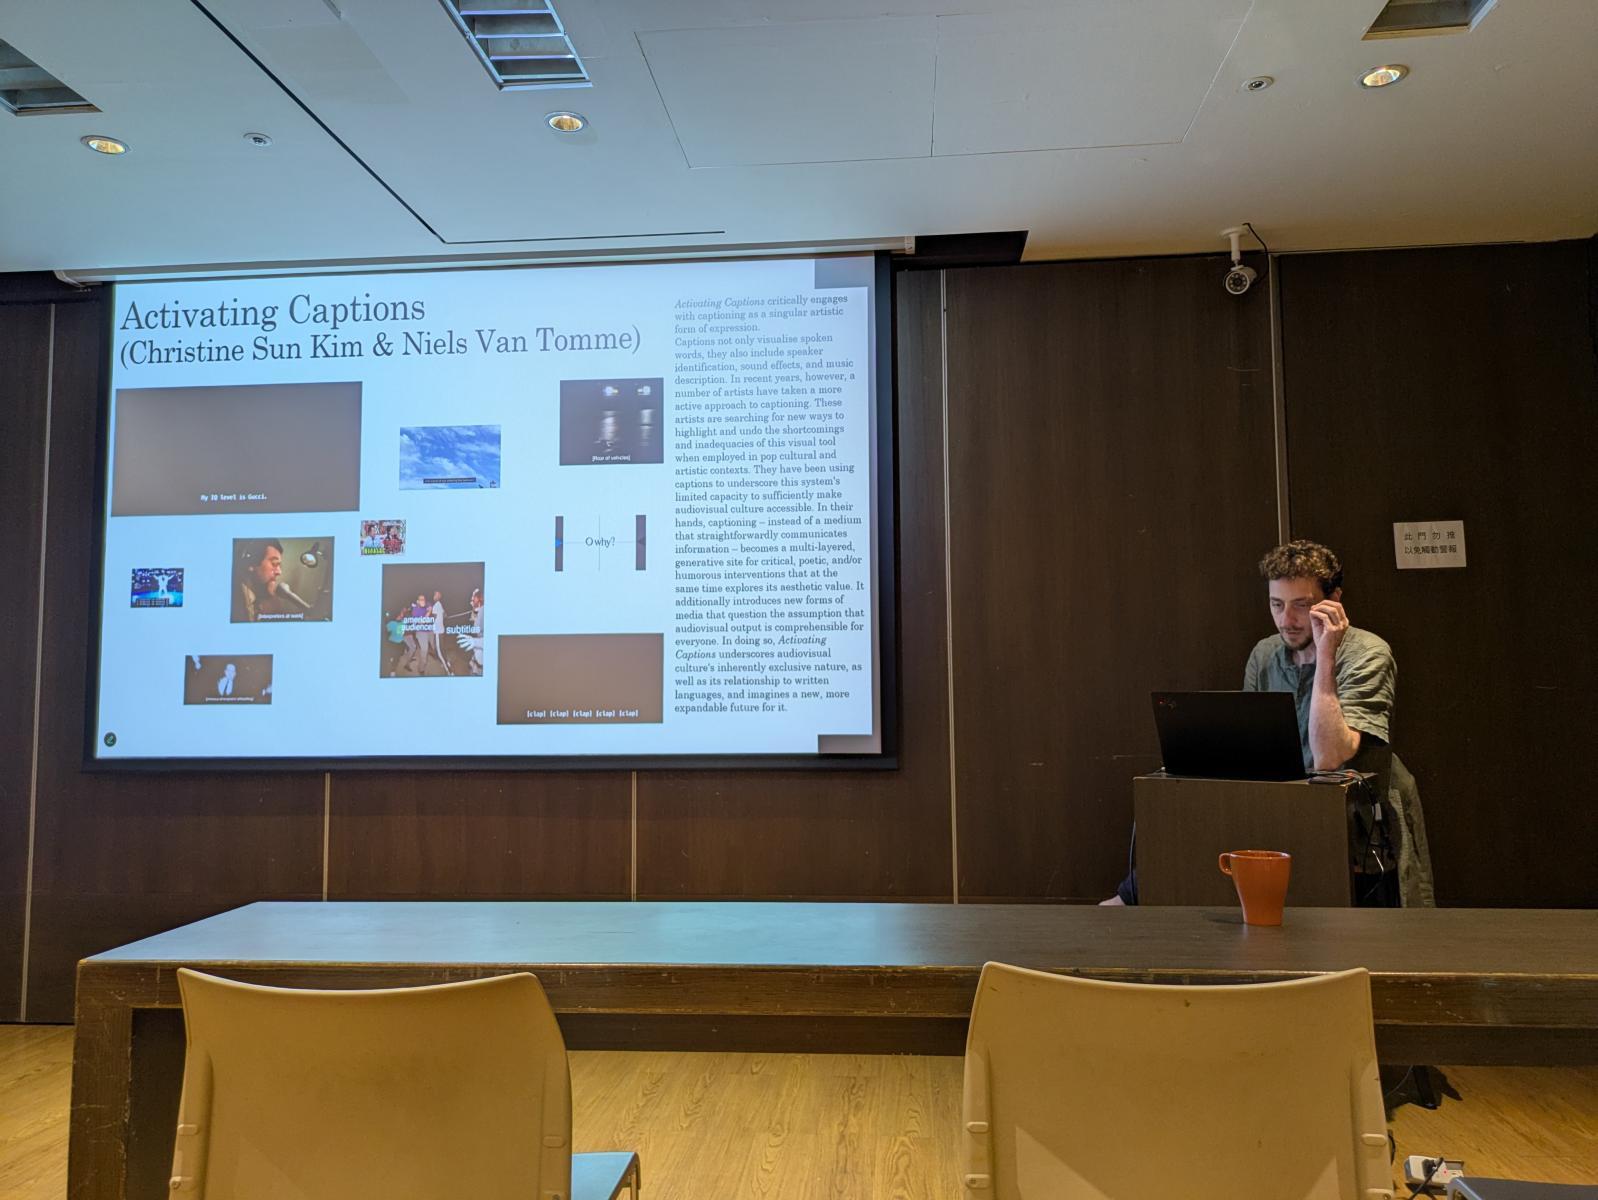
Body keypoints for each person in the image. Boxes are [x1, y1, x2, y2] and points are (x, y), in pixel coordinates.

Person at [1106, 540, 1435, 907]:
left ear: (1334, 600)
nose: (1286, 621)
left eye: (1301, 605)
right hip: (1287, 811)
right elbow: (1253, 754)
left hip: (1359, 825)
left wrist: (1326, 653)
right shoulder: (1265, 655)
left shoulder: (1368, 653)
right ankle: (1131, 896)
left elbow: (1330, 756)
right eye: (1277, 605)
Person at [235, 540, 301, 620]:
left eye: (279, 566)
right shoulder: (234, 601)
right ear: (251, 563)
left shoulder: (265, 603)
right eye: (274, 563)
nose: (279, 572)